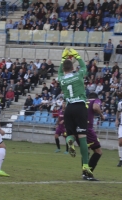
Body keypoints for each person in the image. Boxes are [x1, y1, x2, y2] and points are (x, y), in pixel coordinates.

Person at [58, 48, 93, 179]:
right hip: (79, 106)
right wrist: (77, 55)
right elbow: (85, 67)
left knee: (70, 134)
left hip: (68, 108)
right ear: (73, 67)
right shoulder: (78, 75)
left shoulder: (61, 78)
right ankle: (85, 165)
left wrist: (63, 58)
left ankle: (70, 142)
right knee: (83, 137)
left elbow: (60, 71)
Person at [81, 92, 104, 180]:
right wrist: (101, 114)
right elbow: (95, 107)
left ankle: (84, 173)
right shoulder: (96, 100)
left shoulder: (84, 102)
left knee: (86, 150)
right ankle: (87, 174)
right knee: (98, 151)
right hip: (88, 128)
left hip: (80, 128)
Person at [115, 93, 122, 167]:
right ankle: (121, 159)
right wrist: (116, 119)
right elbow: (118, 111)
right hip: (121, 125)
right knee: (120, 142)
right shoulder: (120, 103)